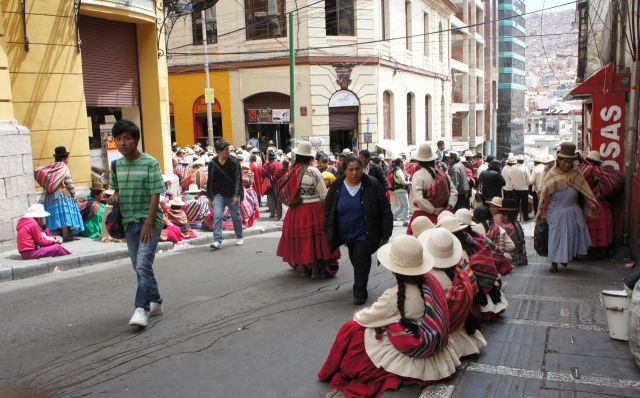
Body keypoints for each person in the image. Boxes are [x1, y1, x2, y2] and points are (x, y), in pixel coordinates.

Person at [319, 235, 462, 397]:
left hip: (412, 341)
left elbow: (367, 318)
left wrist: (360, 314)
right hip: (429, 337)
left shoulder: (396, 295)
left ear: (393, 269)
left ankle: (330, 369)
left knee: (351, 329)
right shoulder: (430, 281)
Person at [108, 119, 166, 327]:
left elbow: (155, 194)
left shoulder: (150, 162)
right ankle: (156, 302)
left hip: (149, 222)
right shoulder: (117, 165)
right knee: (139, 266)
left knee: (142, 264)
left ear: (136, 140)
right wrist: (115, 198)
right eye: (118, 139)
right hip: (128, 222)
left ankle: (141, 308)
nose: (122, 143)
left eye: (126, 138)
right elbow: (116, 190)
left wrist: (149, 223)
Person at [325, 155, 393, 304]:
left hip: (365, 232)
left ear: (363, 169)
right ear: (344, 170)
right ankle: (360, 279)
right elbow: (328, 209)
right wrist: (329, 230)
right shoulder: (337, 186)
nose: (354, 173)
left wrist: (386, 234)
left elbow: (385, 209)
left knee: (361, 259)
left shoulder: (372, 184)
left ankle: (360, 293)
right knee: (355, 259)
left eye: (357, 169)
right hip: (346, 234)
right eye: (350, 169)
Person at [277, 141, 340, 278]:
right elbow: (324, 195)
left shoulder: (292, 171)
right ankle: (316, 271)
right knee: (314, 241)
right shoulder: (313, 171)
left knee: (302, 240)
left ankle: (304, 270)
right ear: (310, 158)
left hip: (296, 211)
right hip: (314, 210)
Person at [537, 143, 599, 273]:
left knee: (571, 236)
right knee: (556, 237)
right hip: (556, 211)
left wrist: (592, 204)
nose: (567, 165)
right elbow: (545, 197)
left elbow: (584, 191)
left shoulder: (576, 173)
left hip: (573, 209)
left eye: (570, 162)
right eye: (565, 162)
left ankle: (565, 258)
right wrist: (543, 215)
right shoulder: (552, 174)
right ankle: (554, 264)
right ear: (558, 160)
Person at [407, 143, 457, 234]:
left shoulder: (418, 175)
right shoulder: (443, 174)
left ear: (419, 161)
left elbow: (418, 198)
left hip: (423, 215)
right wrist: (449, 206)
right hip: (444, 215)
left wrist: (433, 210)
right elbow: (453, 191)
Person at [37, 146, 85, 241]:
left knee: (56, 214)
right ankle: (65, 234)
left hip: (50, 195)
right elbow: (69, 182)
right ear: (63, 159)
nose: (68, 161)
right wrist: (74, 195)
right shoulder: (63, 167)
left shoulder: (51, 166)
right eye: (67, 159)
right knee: (64, 214)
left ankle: (58, 233)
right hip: (61, 195)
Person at [206, 139, 244, 250]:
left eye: (229, 149)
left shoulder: (234, 161)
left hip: (232, 194)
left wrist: (237, 195)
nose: (229, 152)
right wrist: (210, 197)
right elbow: (210, 181)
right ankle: (217, 240)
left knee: (235, 216)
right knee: (217, 216)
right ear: (219, 151)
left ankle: (240, 236)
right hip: (219, 194)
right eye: (227, 150)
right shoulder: (213, 163)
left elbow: (238, 179)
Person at [580, 151, 614, 255]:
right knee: (599, 228)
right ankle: (598, 250)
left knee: (588, 227)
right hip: (598, 202)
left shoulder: (585, 170)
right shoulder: (601, 172)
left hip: (587, 202)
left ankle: (587, 249)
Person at [497, 199, 527, 266]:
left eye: (501, 214)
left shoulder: (507, 228)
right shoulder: (516, 224)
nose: (500, 216)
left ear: (506, 217)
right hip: (520, 258)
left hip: (513, 259)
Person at [262, 151, 283, 220]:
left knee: (271, 199)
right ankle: (279, 214)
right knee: (278, 199)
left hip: (270, 184)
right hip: (279, 184)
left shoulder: (266, 165)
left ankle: (273, 214)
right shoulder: (280, 164)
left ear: (269, 158)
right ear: (276, 158)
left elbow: (262, 174)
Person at [390, 158, 411, 226]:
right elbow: (403, 183)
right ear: (400, 163)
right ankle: (406, 221)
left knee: (402, 206)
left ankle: (390, 218)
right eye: (403, 163)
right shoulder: (399, 171)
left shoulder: (397, 170)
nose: (404, 164)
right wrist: (411, 182)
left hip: (398, 190)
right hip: (401, 191)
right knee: (406, 206)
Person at [511, 155, 531, 221]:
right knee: (524, 204)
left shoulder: (513, 168)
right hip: (524, 188)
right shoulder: (525, 168)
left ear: (517, 161)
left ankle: (514, 217)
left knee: (515, 204)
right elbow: (528, 180)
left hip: (515, 188)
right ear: (523, 161)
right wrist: (527, 185)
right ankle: (525, 217)